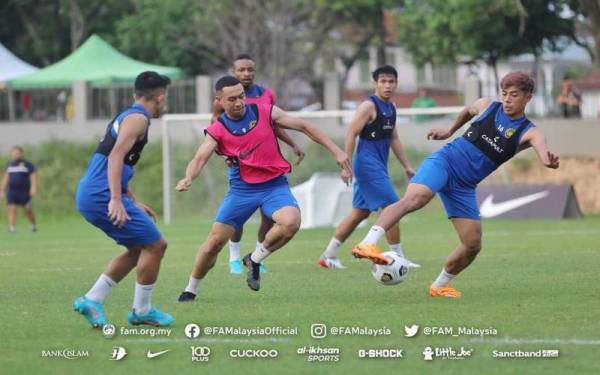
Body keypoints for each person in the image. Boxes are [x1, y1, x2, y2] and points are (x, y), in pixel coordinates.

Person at [352, 71, 560, 298]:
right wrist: (449, 130)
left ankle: (439, 286)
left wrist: (548, 161)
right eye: (504, 94)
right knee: (416, 198)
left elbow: (543, 151)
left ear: (528, 97)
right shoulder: (487, 105)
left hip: (464, 185)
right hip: (445, 162)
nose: (507, 99)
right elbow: (467, 111)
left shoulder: (529, 132)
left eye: (514, 95)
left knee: (472, 243)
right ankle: (367, 243)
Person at [176, 76, 351, 302]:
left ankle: (255, 259)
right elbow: (199, 158)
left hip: (274, 185)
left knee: (291, 222)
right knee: (213, 245)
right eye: (232, 99)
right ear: (219, 100)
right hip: (242, 190)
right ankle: (191, 289)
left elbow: (304, 126)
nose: (239, 102)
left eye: (241, 96)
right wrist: (189, 177)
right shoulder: (217, 130)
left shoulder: (264, 111)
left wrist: (336, 151)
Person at [73, 71, 174, 328]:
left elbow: (115, 161)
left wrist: (131, 200)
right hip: (101, 195)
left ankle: (91, 300)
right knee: (156, 245)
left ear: (135, 94)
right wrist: (116, 199)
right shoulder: (138, 119)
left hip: (95, 193)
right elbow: (116, 156)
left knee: (140, 247)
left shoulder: (129, 115)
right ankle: (142, 310)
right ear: (160, 97)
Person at [212, 54, 305, 275]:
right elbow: (216, 126)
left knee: (269, 215)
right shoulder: (224, 98)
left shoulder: (266, 95)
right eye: (241, 70)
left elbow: (275, 123)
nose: (245, 74)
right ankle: (234, 256)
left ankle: (256, 256)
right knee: (239, 214)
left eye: (249, 70)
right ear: (234, 73)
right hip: (241, 164)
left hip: (267, 162)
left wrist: (292, 143)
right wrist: (225, 151)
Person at [319, 65, 416, 269]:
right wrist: (346, 166)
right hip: (366, 165)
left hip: (379, 165)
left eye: (391, 82)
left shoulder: (392, 108)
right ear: (375, 83)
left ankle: (328, 256)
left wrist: (407, 166)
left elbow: (394, 138)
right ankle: (398, 256)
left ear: (396, 84)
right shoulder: (368, 107)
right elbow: (351, 133)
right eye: (383, 81)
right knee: (392, 207)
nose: (387, 85)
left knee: (359, 213)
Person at [1, 146, 37, 233]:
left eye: (18, 153)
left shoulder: (27, 164)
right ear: (11, 154)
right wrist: (2, 190)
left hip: (24, 191)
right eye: (14, 153)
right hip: (12, 191)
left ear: (21, 154)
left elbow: (33, 176)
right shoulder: (9, 165)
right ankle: (12, 228)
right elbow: (6, 178)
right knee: (11, 208)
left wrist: (33, 187)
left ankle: (33, 225)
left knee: (28, 209)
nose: (16, 155)